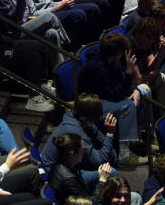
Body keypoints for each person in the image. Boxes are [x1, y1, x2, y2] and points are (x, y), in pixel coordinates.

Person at [77, 33, 146, 166]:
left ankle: (135, 141)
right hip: (91, 106)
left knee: (141, 94)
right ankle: (125, 156)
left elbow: (120, 87)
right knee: (128, 106)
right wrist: (128, 72)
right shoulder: (96, 68)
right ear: (118, 52)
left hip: (104, 100)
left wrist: (135, 90)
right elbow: (115, 94)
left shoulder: (111, 63)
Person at [40, 93, 120, 178]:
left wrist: (110, 148)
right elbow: (99, 160)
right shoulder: (76, 132)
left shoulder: (82, 119)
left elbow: (101, 140)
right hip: (55, 175)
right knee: (111, 172)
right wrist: (110, 134)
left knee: (111, 158)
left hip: (68, 165)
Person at [49, 133, 115, 205]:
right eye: (82, 149)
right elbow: (90, 203)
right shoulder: (70, 178)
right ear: (72, 153)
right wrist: (102, 180)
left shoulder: (59, 164)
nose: (84, 152)